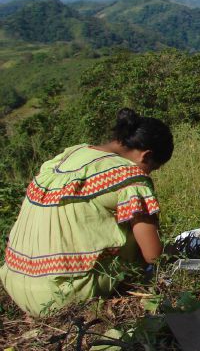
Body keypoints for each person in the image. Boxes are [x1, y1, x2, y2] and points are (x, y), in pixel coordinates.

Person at [0, 108, 173, 317]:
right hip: (63, 294)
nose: (148, 173)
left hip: (15, 281)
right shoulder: (130, 176)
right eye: (152, 168)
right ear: (146, 156)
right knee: (134, 228)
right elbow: (154, 256)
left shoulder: (69, 155)